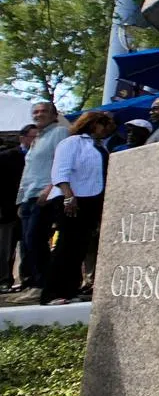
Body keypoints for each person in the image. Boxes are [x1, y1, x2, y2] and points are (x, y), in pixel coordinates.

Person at [40, 111, 116, 305]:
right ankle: (51, 293)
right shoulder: (72, 142)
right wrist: (68, 195)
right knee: (66, 245)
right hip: (72, 198)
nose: (107, 129)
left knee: (79, 248)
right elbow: (60, 170)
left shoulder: (100, 147)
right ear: (93, 124)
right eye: (104, 124)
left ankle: (69, 290)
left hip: (92, 199)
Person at [16, 102, 69, 290]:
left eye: (43, 111)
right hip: (28, 196)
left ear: (54, 114)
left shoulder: (60, 132)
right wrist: (20, 200)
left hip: (45, 194)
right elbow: (28, 170)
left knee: (36, 239)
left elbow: (61, 162)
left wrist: (50, 188)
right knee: (29, 243)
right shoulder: (37, 137)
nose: (39, 114)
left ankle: (44, 287)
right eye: (35, 112)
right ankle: (35, 285)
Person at [0, 124, 35, 292]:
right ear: (23, 138)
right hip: (8, 210)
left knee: (28, 246)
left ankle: (27, 279)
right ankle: (4, 280)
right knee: (5, 247)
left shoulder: (40, 157)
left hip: (31, 207)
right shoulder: (7, 157)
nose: (35, 141)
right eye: (32, 137)